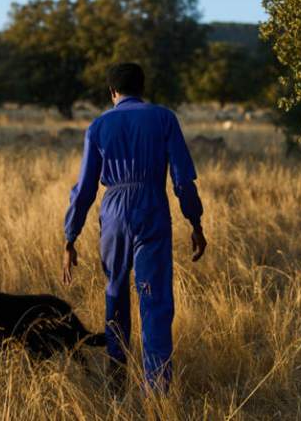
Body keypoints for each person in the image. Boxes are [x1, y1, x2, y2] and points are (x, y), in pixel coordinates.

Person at [62, 62, 206, 394]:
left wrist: (70, 236)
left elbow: (84, 188)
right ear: (143, 88)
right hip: (151, 207)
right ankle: (156, 389)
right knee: (154, 300)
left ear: (112, 92)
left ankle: (116, 379)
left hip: (112, 211)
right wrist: (194, 221)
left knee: (115, 291)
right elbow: (182, 179)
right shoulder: (164, 118)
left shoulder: (98, 125)